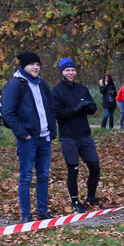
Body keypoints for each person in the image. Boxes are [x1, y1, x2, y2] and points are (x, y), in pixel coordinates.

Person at [2, 51, 58, 222]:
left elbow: (50, 108)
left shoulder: (41, 84)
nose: (35, 67)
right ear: (23, 66)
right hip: (28, 140)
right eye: (32, 64)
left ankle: (43, 211)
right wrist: (23, 134)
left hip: (44, 138)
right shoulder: (15, 84)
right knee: (26, 176)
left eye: (38, 64)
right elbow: (7, 112)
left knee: (43, 175)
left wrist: (51, 129)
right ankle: (26, 214)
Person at [51, 57, 101, 214]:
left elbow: (93, 107)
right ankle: (74, 201)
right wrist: (75, 110)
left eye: (72, 70)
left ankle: (91, 197)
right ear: (62, 72)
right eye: (67, 70)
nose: (71, 73)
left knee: (95, 167)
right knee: (73, 169)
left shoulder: (82, 89)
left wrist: (87, 107)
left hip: (85, 135)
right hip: (68, 137)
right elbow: (56, 113)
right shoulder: (56, 91)